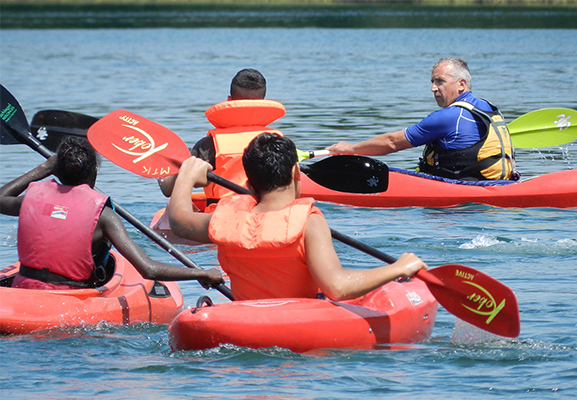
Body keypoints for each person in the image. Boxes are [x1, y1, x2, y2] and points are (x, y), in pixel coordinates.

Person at [168, 132, 427, 302]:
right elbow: (337, 287)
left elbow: (179, 220)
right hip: (298, 329)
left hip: (243, 320)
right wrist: (397, 268)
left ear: (249, 183)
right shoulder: (309, 221)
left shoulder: (224, 217)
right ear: (296, 173)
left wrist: (187, 176)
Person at [0, 137, 224, 290]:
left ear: (56, 170)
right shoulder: (103, 216)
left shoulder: (31, 200)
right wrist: (202, 274)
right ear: (94, 173)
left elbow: (1, 199)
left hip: (25, 286)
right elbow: (148, 269)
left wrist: (44, 168)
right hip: (72, 297)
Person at [327, 57, 517, 181]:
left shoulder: (449, 116)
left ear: (461, 84)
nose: (433, 88)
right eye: (432, 82)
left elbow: (392, 143)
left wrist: (350, 149)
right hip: (496, 187)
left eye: (440, 81)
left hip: (460, 204)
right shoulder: (488, 108)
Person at [158, 68, 286, 209]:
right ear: (263, 102)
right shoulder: (279, 142)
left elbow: (168, 189)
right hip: (268, 215)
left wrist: (161, 169)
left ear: (229, 101)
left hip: (219, 220)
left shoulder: (208, 145)